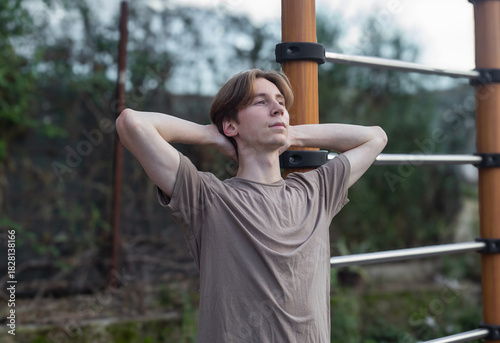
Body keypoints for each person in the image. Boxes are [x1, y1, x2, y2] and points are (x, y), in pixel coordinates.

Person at [116, 69, 387, 342]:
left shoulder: (317, 191)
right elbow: (132, 123)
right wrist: (211, 135)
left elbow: (375, 138)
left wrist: (293, 135)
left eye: (281, 102)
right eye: (261, 102)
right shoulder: (208, 198)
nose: (278, 109)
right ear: (231, 125)